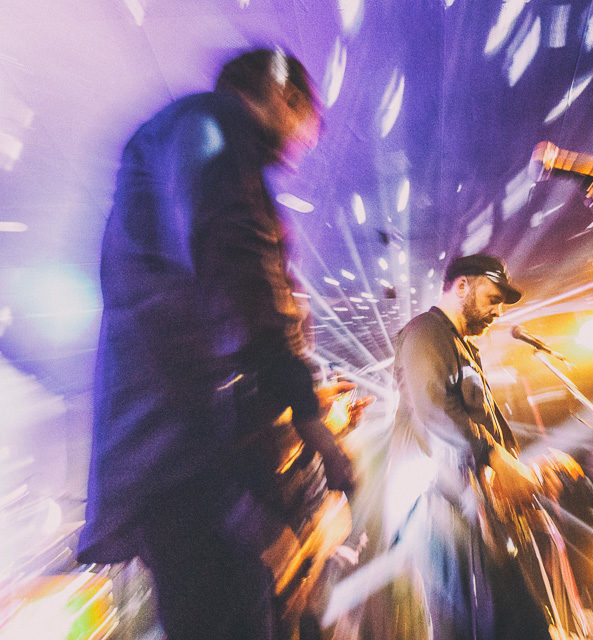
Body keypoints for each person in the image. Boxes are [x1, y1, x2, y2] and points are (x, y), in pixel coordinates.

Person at [78, 48, 359, 640]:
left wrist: (303, 401)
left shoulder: (183, 144)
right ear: (285, 97)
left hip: (187, 464)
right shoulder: (213, 124)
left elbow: (229, 304)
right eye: (309, 123)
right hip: (192, 466)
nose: (305, 142)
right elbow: (240, 275)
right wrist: (310, 419)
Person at [387, 254, 551, 640]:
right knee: (471, 626)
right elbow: (434, 410)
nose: (496, 311)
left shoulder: (464, 349)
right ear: (462, 286)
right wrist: (496, 458)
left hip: (467, 506)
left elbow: (481, 425)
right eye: (492, 297)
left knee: (519, 623)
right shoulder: (426, 332)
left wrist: (522, 468)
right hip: (437, 506)